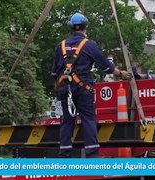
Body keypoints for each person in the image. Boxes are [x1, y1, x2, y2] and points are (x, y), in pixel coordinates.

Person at [51, 12, 132, 158]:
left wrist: (59, 87)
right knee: (88, 120)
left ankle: (64, 156)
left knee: (66, 122)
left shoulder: (60, 46)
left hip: (64, 89)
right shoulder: (89, 45)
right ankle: (92, 155)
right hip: (83, 90)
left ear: (71, 27)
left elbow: (54, 72)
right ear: (85, 26)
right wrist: (121, 73)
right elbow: (106, 66)